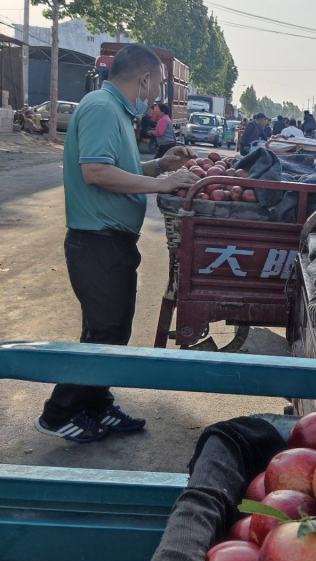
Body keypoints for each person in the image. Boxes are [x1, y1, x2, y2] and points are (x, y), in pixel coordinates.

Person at [36, 44, 197, 443]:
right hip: (96, 239)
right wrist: (161, 184)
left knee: (112, 332)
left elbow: (119, 168)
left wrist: (161, 166)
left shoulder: (120, 114)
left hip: (112, 240)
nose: (156, 91)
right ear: (144, 78)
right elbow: (95, 172)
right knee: (104, 333)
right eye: (158, 83)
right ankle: (58, 414)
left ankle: (96, 404)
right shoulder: (102, 107)